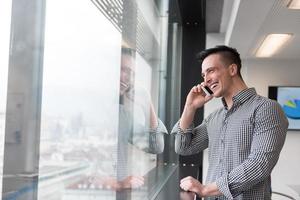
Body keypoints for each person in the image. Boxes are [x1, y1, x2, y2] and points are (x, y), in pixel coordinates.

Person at [172, 45, 288, 199]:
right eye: (203, 74)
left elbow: (260, 164)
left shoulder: (266, 108)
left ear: (232, 70)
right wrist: (190, 107)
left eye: (211, 71)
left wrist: (207, 189)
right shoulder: (214, 118)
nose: (206, 80)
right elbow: (183, 147)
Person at [94, 46, 167, 191]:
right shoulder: (90, 110)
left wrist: (147, 104)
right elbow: (83, 172)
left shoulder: (122, 115)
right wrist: (118, 184)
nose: (125, 76)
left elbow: (156, 146)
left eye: (130, 73)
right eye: (122, 69)